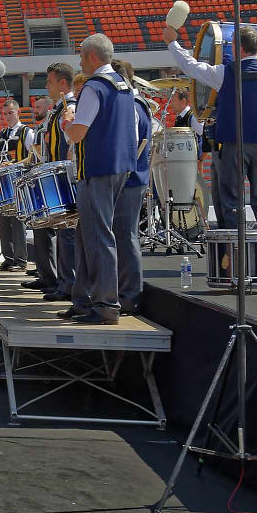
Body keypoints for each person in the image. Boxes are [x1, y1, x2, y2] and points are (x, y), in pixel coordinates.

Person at [166, 24, 257, 228]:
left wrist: (172, 43)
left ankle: (231, 252)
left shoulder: (225, 73)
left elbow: (190, 66)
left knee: (231, 201)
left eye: (233, 46)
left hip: (232, 145)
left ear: (239, 49)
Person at [60, 34, 136, 325]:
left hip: (99, 169)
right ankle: (84, 301)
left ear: (92, 56)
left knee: (98, 237)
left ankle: (105, 306)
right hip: (120, 167)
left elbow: (78, 133)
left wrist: (67, 122)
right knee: (89, 235)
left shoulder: (94, 87)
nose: (79, 61)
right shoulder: (123, 84)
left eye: (81, 55)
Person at [27, 71, 76, 298]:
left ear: (62, 83)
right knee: (52, 229)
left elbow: (71, 145)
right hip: (54, 173)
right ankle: (55, 279)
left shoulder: (70, 107)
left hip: (64, 175)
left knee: (67, 233)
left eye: (49, 81)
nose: (46, 86)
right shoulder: (58, 109)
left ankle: (68, 285)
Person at [113, 62, 153, 315]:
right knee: (124, 237)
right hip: (131, 179)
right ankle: (125, 292)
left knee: (126, 237)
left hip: (130, 180)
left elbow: (130, 144)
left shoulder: (132, 107)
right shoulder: (136, 105)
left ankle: (130, 296)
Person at [0, 98, 34, 270]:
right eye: (5, 113)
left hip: (19, 182)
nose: (8, 116)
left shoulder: (27, 132)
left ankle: (21, 260)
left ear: (18, 112)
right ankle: (8, 258)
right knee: (4, 221)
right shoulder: (0, 134)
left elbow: (33, 157)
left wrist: (15, 165)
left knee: (18, 222)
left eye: (11, 112)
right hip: (3, 183)